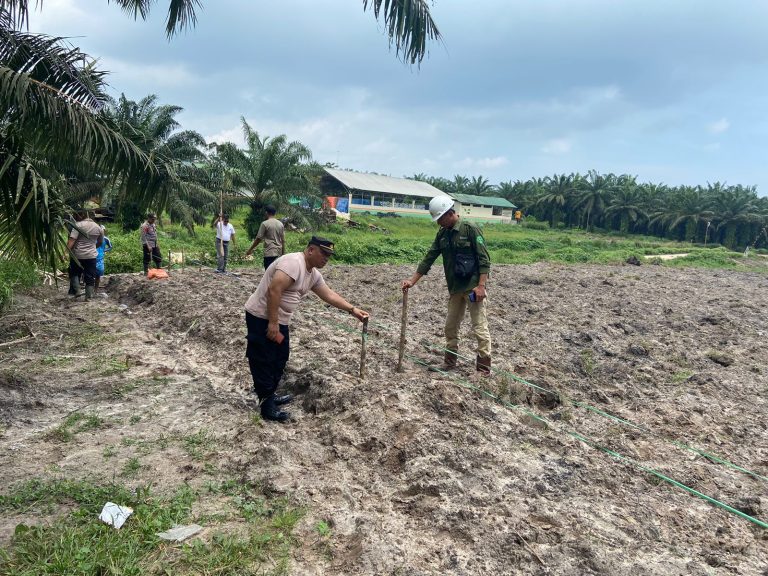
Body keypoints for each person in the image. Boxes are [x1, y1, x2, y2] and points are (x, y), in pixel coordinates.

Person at [244, 236, 369, 422]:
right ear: (310, 250)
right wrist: (272, 322)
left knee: (280, 357)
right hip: (262, 318)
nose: (326, 258)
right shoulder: (294, 263)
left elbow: (328, 294)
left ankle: (269, 394)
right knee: (264, 358)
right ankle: (266, 404)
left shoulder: (313, 274)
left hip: (279, 321)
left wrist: (352, 309)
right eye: (323, 253)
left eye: (329, 255)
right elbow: (274, 290)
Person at [401, 197, 492, 374]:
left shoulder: (470, 229)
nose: (439, 223)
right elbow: (429, 258)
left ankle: (483, 369)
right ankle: (449, 362)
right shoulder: (442, 234)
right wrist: (412, 281)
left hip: (473, 288)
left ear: (450, 213)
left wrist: (481, 286)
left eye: (440, 219)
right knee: (450, 327)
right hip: (455, 288)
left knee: (479, 328)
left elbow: (484, 259)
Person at [65, 208, 103, 300]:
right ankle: (88, 296)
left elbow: (72, 240)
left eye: (76, 215)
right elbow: (100, 242)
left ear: (82, 215)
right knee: (90, 275)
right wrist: (92, 248)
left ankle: (77, 290)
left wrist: (65, 252)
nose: (75, 217)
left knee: (74, 272)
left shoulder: (78, 225)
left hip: (77, 255)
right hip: (91, 256)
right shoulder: (98, 227)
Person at [245, 205, 284, 270]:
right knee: (276, 271)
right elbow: (283, 240)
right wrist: (283, 253)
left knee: (268, 272)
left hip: (269, 253)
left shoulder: (265, 224)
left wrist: (250, 249)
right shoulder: (280, 224)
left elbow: (258, 239)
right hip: (278, 252)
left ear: (266, 212)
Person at [94, 225, 113, 292]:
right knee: (90, 273)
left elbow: (110, 247)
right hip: (92, 256)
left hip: (100, 257)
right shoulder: (94, 238)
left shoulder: (106, 239)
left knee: (98, 274)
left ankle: (95, 289)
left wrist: (104, 250)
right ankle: (89, 288)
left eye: (103, 230)